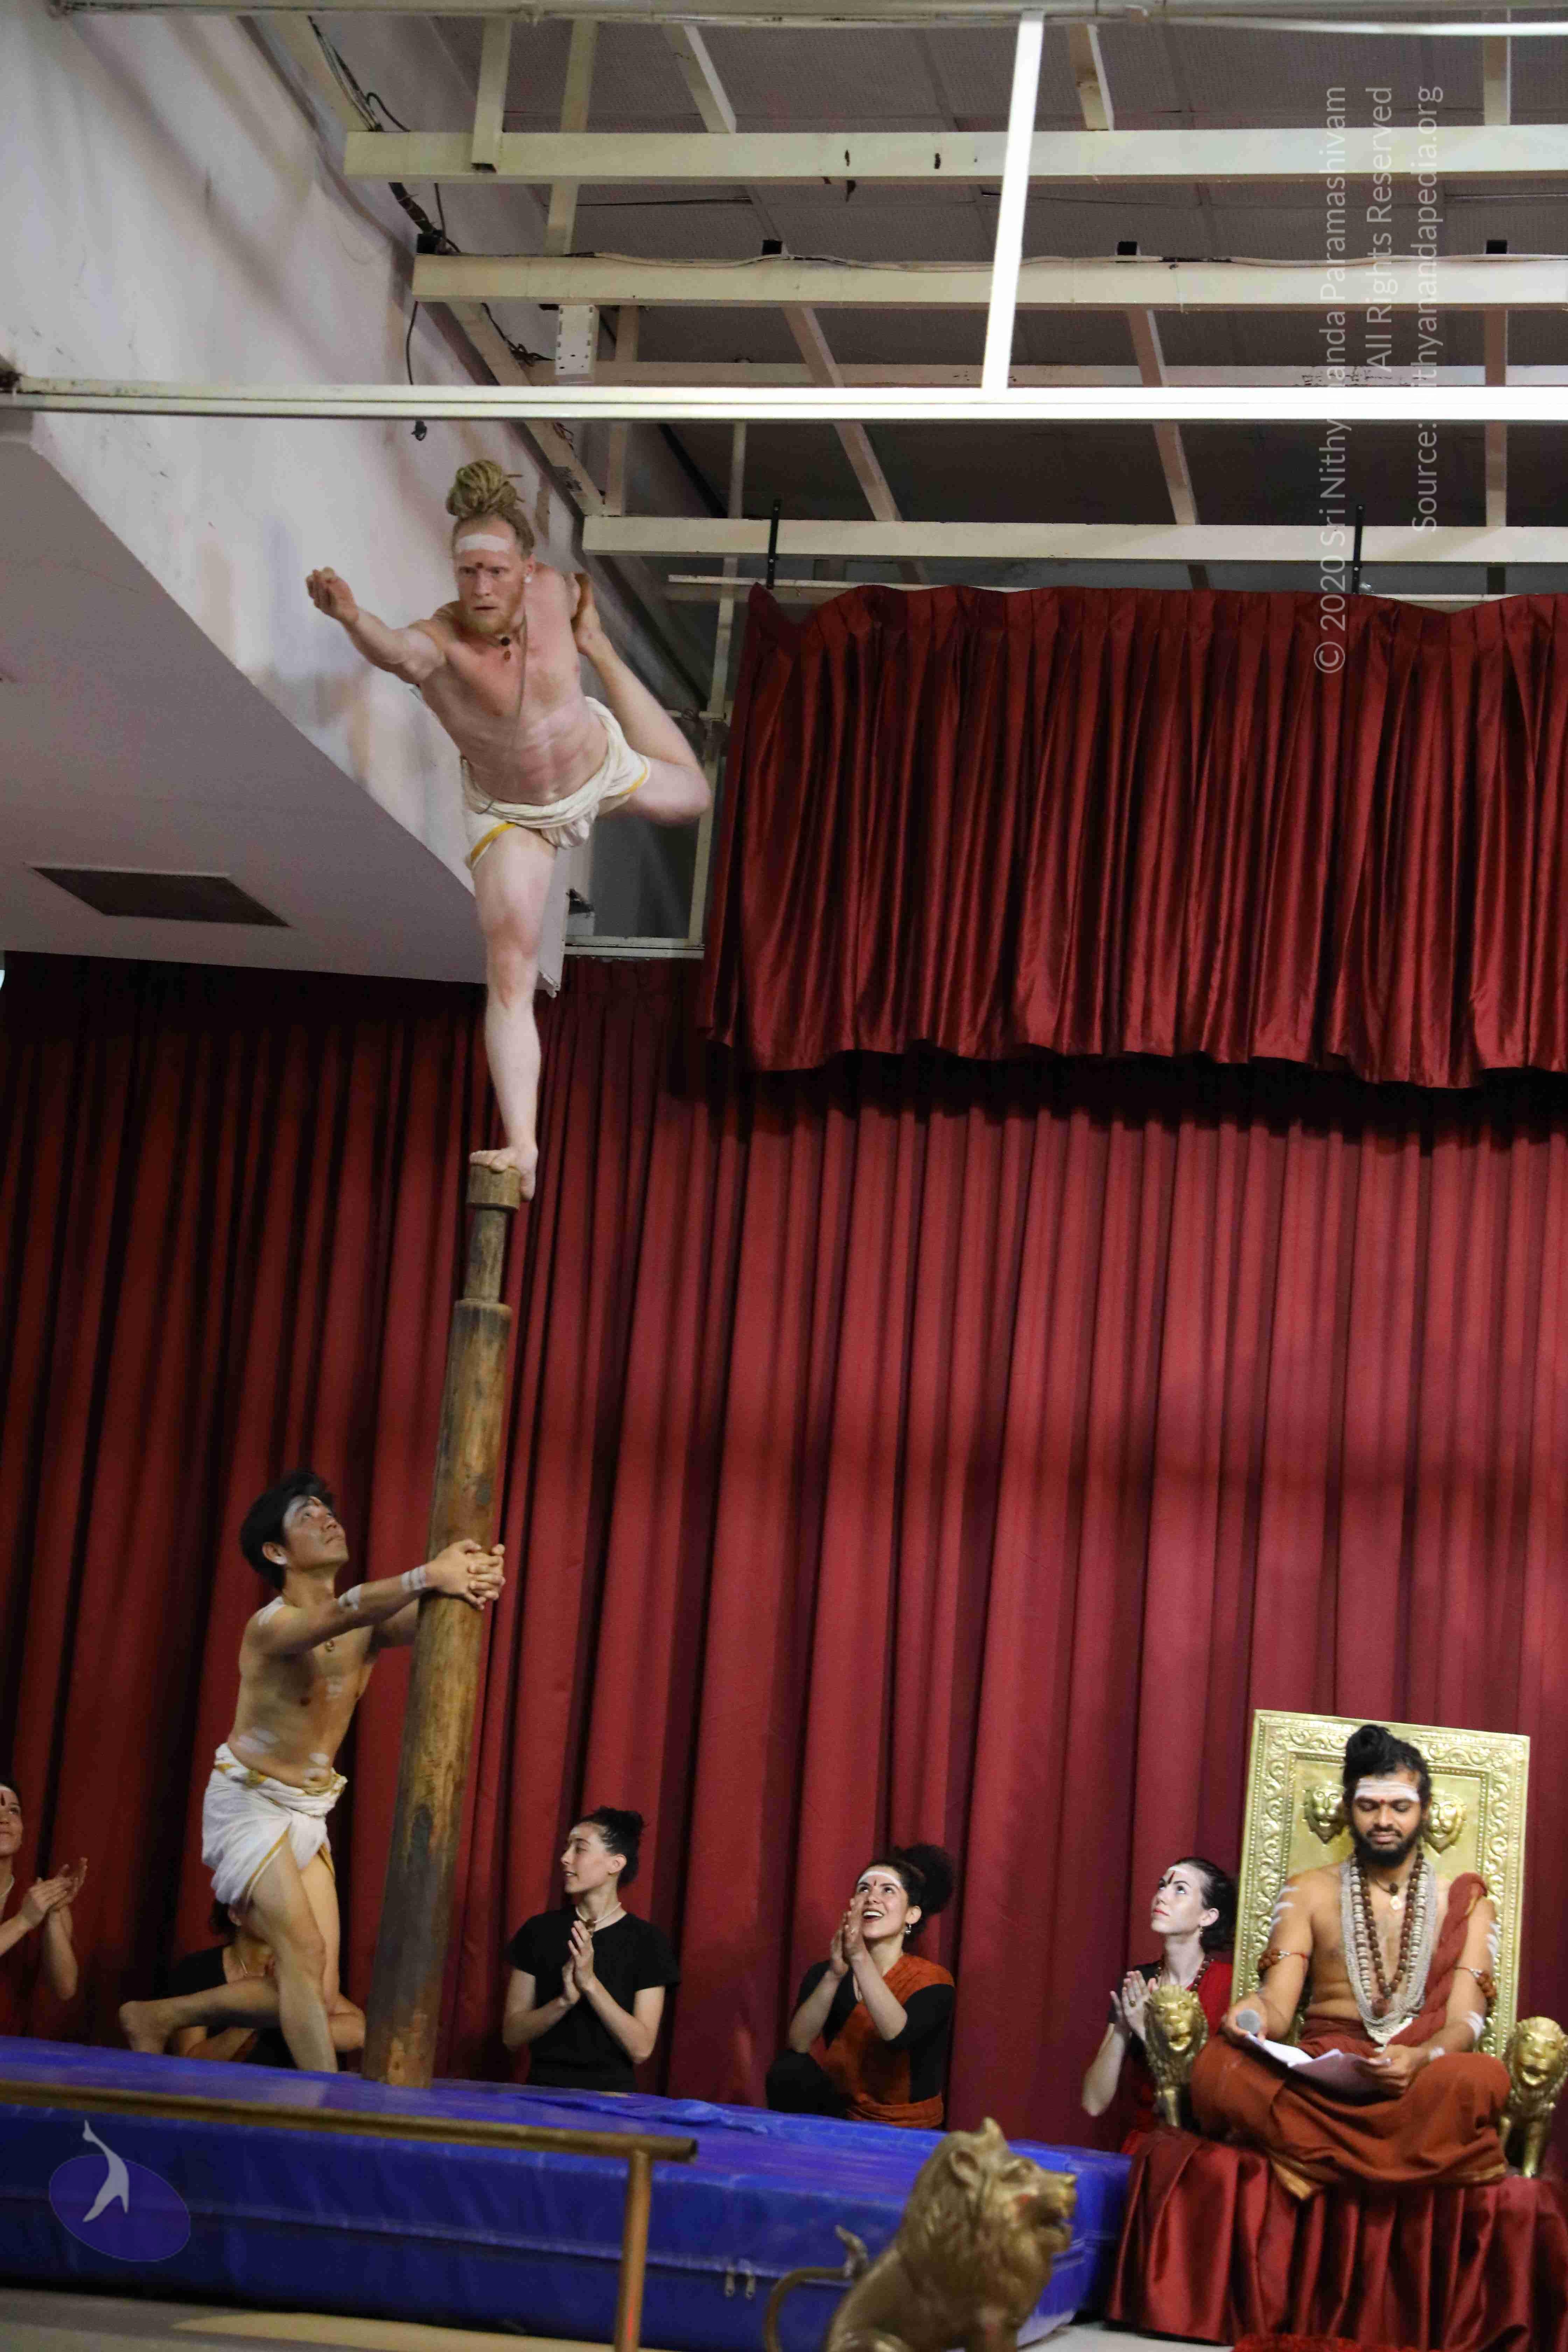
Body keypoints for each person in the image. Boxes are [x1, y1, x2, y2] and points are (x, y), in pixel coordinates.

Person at [306, 462, 711, 1199]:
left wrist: (589, 638)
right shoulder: (441, 641)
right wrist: (351, 618)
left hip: (597, 767)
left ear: (527, 570)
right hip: (515, 814)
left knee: (694, 797)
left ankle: (604, 651)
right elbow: (397, 651)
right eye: (468, 573)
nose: (482, 589)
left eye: (495, 571)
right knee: (510, 964)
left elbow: (575, 586)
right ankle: (523, 1145)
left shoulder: (555, 591)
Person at [119, 1470, 503, 2072]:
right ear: (276, 1552)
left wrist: (472, 1578)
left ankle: (159, 2016)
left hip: (308, 1808)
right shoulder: (269, 1626)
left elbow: (423, 1616)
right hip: (248, 1802)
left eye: (329, 1511)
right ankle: (322, 2107)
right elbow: (339, 1614)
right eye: (308, 1515)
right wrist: (428, 1574)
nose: (328, 1519)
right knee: (303, 1949)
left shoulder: (367, 1624)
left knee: (319, 1991)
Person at [1194, 1722, 1511, 2197]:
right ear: (1348, 1808)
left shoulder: (1467, 1905)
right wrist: (1250, 2015)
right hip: (1325, 2072)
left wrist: (1420, 2057)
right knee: (1216, 2067)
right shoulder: (1308, 1892)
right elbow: (1277, 2005)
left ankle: (1313, 2157)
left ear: (1423, 1810)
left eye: (1399, 1806)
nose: (1384, 1820)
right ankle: (1395, 2158)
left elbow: (1465, 2022)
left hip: (1416, 2076)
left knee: (1482, 2079)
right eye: (1368, 1806)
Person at [766, 1844, 956, 2129]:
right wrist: (834, 1975)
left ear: (912, 1915)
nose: (872, 1898)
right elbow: (799, 2044)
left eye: (887, 1890)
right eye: (864, 1889)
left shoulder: (933, 1980)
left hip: (909, 2128)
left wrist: (858, 1956)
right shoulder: (826, 1972)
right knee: (789, 2070)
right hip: (845, 2117)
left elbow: (897, 2036)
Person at [502, 1807, 679, 2092]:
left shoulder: (648, 1942)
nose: (565, 1858)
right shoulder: (538, 1931)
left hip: (612, 2102)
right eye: (567, 1847)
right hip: (541, 2095)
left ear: (615, 1864)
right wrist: (564, 2001)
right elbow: (511, 2036)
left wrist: (590, 1984)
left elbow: (641, 2049)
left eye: (580, 1849)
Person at [1082, 1855, 1236, 2149]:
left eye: (1180, 1890)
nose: (1162, 1896)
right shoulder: (1139, 1981)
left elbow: (1210, 2102)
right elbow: (1093, 2103)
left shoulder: (1229, 1985)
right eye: (1162, 1885)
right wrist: (1122, 2029)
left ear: (1208, 1917)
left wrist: (1147, 2030)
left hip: (1201, 2151)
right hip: (1143, 2148)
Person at [162, 1900, 365, 2067]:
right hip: (219, 2097)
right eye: (265, 1903)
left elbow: (359, 2031)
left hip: (292, 2096)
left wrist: (283, 2015)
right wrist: (254, 2018)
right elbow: (189, 2061)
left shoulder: (295, 1969)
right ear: (235, 1915)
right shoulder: (197, 1969)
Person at [0, 1777, 86, 2034]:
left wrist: (54, 1914)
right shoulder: (30, 1910)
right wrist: (24, 1921)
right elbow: (25, 1919)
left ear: (22, 1832)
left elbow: (65, 1989)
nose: (4, 1819)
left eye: (13, 1811)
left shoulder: (37, 1897)